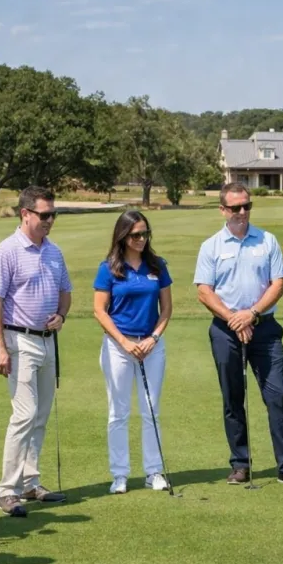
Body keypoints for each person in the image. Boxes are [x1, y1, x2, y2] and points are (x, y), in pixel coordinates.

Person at [193, 183, 283, 488]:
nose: (242, 212)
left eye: (247, 206)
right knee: (233, 398)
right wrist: (235, 319)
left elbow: (279, 284)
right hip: (225, 330)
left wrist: (252, 314)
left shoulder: (267, 240)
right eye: (235, 207)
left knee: (277, 396)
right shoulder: (211, 246)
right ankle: (240, 464)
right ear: (223, 210)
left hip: (265, 329)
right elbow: (204, 292)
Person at [0, 185, 71, 516]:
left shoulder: (54, 252)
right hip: (18, 340)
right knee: (25, 414)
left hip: (48, 341)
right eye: (44, 215)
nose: (50, 220)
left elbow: (65, 292)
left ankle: (30, 482)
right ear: (25, 213)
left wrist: (61, 315)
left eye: (53, 215)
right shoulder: (5, 252)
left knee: (41, 414)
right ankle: (7, 490)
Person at [92, 211, 173, 494]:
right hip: (118, 347)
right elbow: (100, 311)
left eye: (145, 234)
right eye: (135, 234)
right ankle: (120, 474)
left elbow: (166, 309)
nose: (141, 239)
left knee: (151, 410)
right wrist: (124, 342)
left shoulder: (157, 265)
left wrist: (153, 338)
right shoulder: (109, 268)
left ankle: (154, 472)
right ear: (123, 236)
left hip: (152, 345)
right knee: (119, 412)